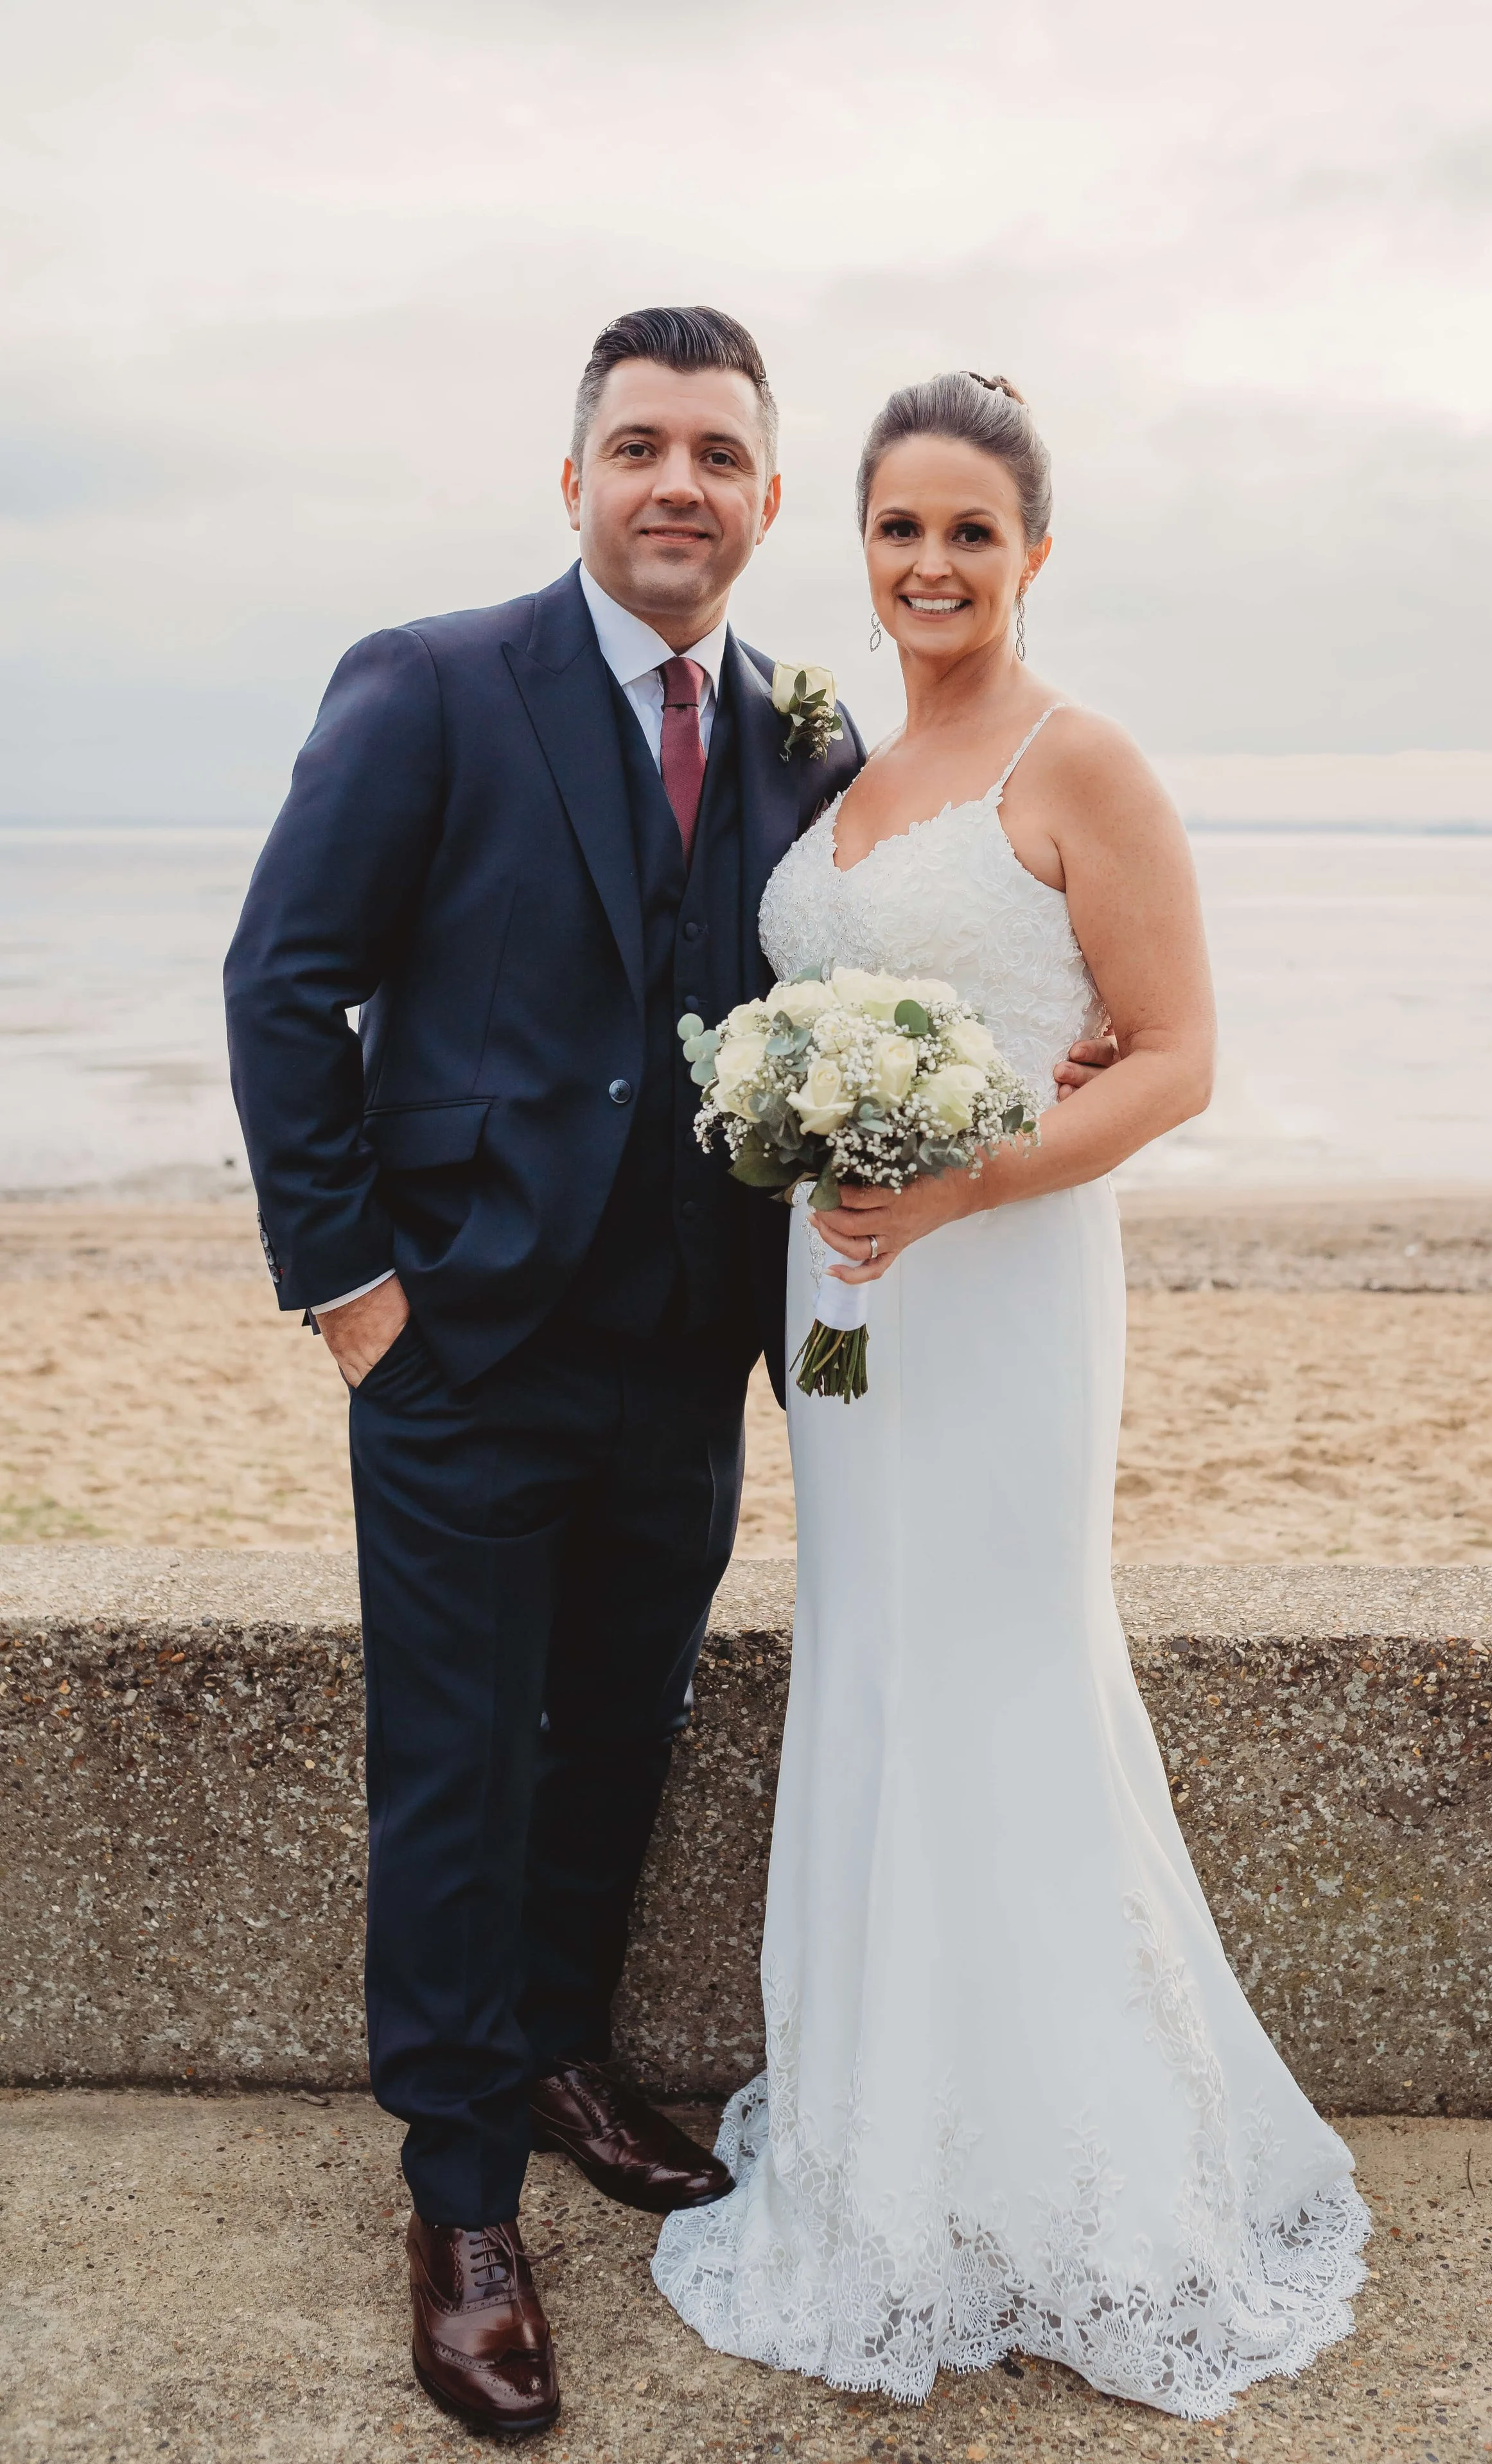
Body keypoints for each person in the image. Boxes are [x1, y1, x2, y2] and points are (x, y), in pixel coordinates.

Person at [225, 304, 1119, 2436]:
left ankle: (553, 2054)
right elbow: (288, 982)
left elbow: (875, 942)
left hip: (695, 1360)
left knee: (615, 1731)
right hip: (458, 1357)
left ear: (763, 503)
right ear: (573, 480)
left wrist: (1049, 1053)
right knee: (457, 1767)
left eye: (718, 455)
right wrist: (351, 1289)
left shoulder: (804, 741)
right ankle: (455, 2201)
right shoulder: (431, 684)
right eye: (639, 447)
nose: (676, 486)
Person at [652, 371, 1371, 2421]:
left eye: (972, 530)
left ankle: (1072, 2169)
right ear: (855, 549)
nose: (932, 564)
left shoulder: (1085, 761)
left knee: (995, 1668)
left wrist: (971, 1177)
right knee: (870, 1663)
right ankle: (895, 2142)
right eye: (899, 529)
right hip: (848, 1302)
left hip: (1006, 1283)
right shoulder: (851, 775)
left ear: (1032, 552)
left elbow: (1171, 1055)